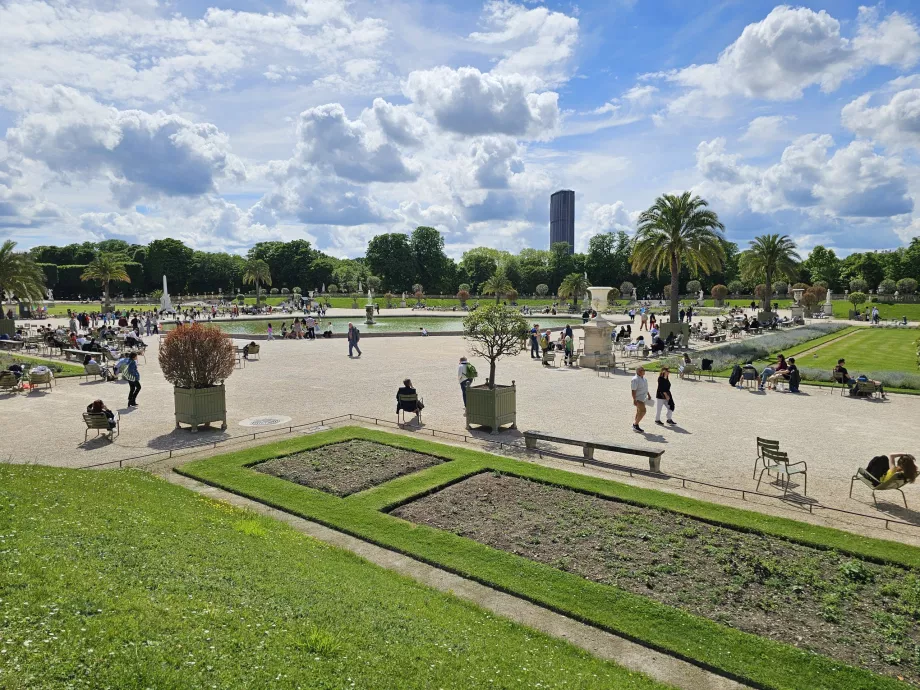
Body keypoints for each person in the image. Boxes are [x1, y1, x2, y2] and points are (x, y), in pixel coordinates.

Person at [630, 366, 651, 433]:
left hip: (644, 398)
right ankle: (635, 425)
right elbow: (633, 391)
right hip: (638, 398)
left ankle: (636, 425)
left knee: (639, 412)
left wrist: (649, 395)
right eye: (643, 370)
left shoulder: (644, 379)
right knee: (643, 411)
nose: (644, 371)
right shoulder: (635, 379)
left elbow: (645, 388)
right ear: (639, 371)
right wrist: (634, 399)